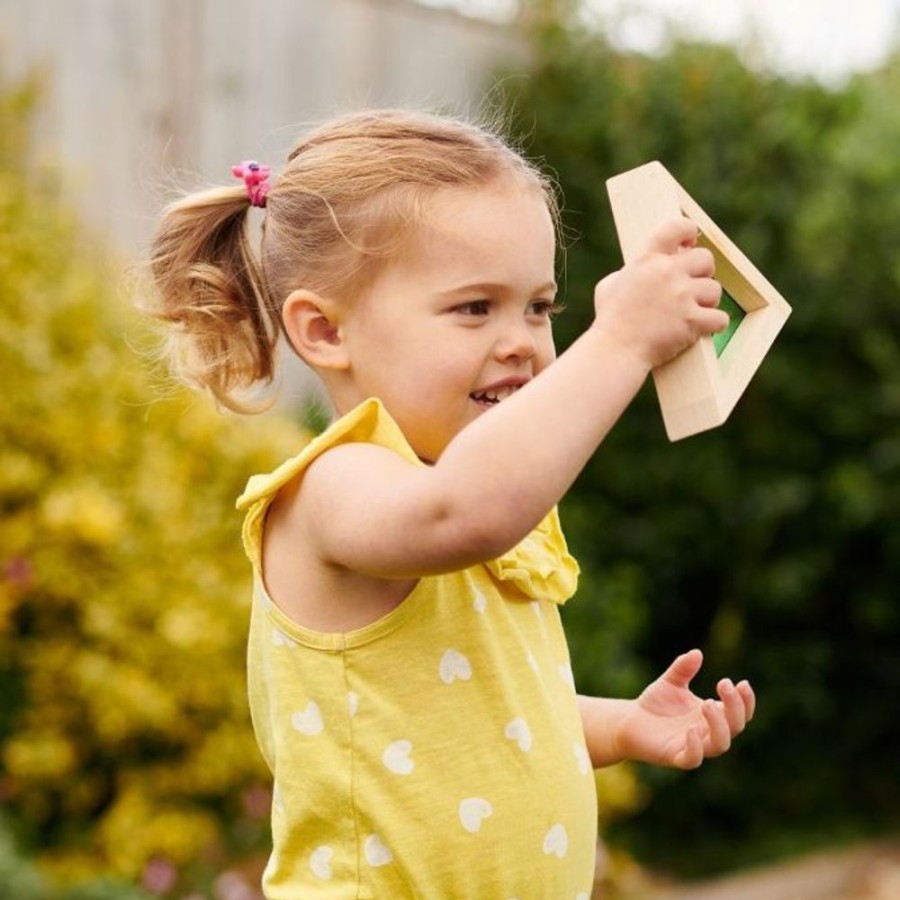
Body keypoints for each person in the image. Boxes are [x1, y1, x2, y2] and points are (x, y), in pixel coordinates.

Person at [145, 109, 756, 899]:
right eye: (476, 307)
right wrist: (622, 341)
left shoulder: (460, 494)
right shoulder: (338, 487)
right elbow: (465, 510)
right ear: (325, 329)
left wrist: (619, 724)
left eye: (540, 307)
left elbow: (474, 719)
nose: (523, 342)